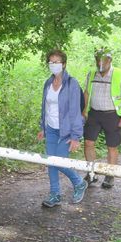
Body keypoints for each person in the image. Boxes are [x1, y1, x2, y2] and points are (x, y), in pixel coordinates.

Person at [37, 50, 88, 208]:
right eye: (51, 62)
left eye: (57, 62)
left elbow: (75, 111)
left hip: (65, 130)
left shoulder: (71, 83)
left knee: (59, 162)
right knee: (51, 162)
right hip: (50, 128)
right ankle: (55, 194)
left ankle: (79, 182)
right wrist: (43, 127)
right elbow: (44, 107)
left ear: (64, 64)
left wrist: (75, 136)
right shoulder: (48, 83)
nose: (54, 65)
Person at [82, 47, 121, 189]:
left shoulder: (119, 74)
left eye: (104, 60)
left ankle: (110, 175)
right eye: (98, 60)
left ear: (110, 60)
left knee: (112, 146)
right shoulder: (91, 74)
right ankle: (91, 173)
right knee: (88, 143)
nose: (100, 64)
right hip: (94, 114)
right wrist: (83, 110)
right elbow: (86, 92)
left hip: (112, 115)